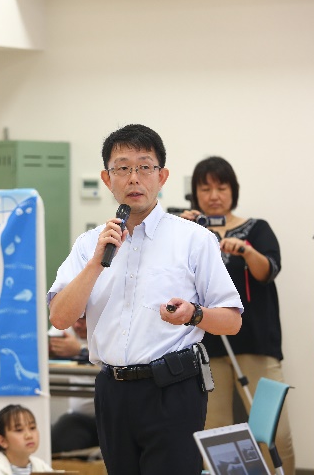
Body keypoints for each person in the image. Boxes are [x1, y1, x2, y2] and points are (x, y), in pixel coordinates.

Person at [48, 124, 243, 475]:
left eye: (144, 167)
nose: (134, 178)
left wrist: (194, 314)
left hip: (174, 390)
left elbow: (232, 320)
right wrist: (96, 263)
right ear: (107, 179)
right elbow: (60, 317)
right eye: (123, 168)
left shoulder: (194, 239)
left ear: (162, 176)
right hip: (112, 391)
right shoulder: (90, 244)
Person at [180, 156, 295, 475]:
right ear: (195, 194)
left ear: (233, 190)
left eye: (221, 187)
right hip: (207, 347)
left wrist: (244, 249)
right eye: (205, 189)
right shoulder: (188, 231)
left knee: (274, 434)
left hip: (256, 343)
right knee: (216, 435)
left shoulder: (257, 228)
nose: (214, 195)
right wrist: (181, 229)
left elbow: (267, 272)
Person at [48, 317, 98, 454]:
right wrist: (50, 348)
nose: (77, 325)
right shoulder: (69, 322)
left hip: (116, 418)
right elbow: (46, 343)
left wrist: (80, 351)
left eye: (83, 319)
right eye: (75, 319)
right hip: (80, 418)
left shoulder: (113, 326)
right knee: (57, 438)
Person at [0, 405, 53, 475]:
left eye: (32, 428)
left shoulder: (42, 467)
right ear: (2, 441)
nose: (29, 435)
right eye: (19, 430)